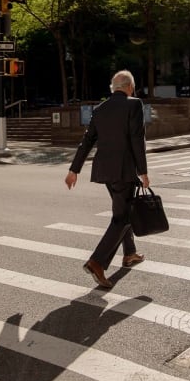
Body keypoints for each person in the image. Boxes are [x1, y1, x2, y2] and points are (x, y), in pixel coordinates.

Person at [65, 70, 149, 289]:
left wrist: (74, 169)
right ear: (130, 86)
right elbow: (137, 139)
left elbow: (87, 140)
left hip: (104, 171)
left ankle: (129, 253)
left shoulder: (100, 109)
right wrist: (143, 171)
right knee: (121, 218)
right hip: (124, 170)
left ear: (114, 88)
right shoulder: (134, 105)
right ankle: (97, 262)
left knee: (124, 210)